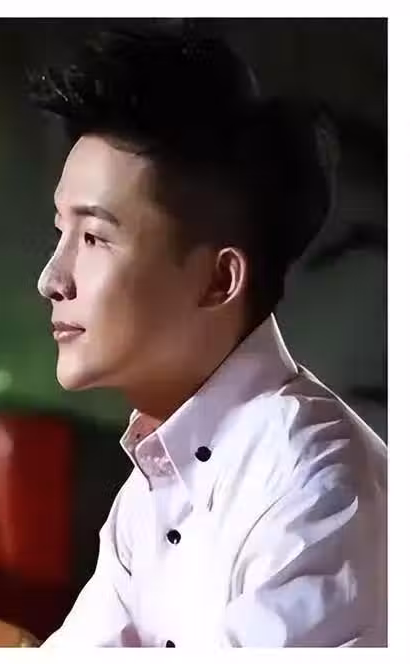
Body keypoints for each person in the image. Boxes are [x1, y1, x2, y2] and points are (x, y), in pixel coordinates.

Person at [31, 25, 387, 648]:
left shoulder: (315, 482)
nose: (51, 279)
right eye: (61, 231)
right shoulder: (149, 491)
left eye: (93, 237)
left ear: (219, 280)